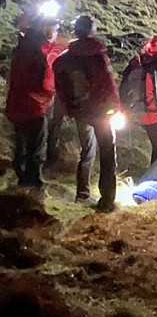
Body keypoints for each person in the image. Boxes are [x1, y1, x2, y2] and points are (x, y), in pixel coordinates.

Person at [52, 15, 120, 212]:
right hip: (101, 113)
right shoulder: (98, 56)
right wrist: (115, 108)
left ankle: (82, 193)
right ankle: (106, 200)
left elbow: (60, 88)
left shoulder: (64, 59)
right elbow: (109, 84)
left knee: (86, 151)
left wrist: (70, 108)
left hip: (80, 111)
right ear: (91, 30)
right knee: (108, 154)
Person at [4, 12, 61, 189]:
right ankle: (32, 186)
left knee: (21, 147)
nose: (56, 32)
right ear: (46, 30)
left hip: (17, 105)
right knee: (35, 149)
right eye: (55, 29)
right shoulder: (36, 51)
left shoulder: (22, 47)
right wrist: (49, 95)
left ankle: (20, 182)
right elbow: (40, 81)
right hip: (34, 106)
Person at [121, 34, 157, 182]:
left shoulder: (145, 62)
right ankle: (148, 180)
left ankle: (155, 177)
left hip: (145, 113)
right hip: (155, 114)